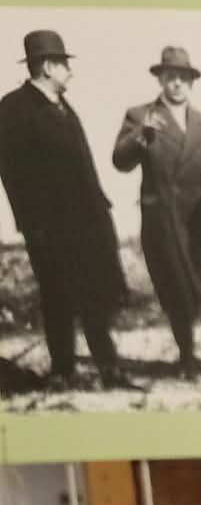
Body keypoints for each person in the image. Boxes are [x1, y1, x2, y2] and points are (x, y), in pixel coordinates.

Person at [0, 27, 137, 393]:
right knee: (58, 297)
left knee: (95, 298)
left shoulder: (65, 108)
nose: (70, 72)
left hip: (87, 225)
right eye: (63, 64)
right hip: (49, 230)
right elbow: (11, 171)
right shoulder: (13, 108)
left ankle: (110, 370)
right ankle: (63, 373)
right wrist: (33, 225)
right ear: (47, 66)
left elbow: (84, 171)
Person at [111, 44, 201, 380]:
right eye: (170, 77)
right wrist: (142, 135)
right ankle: (187, 356)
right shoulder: (140, 116)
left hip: (199, 220)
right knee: (175, 289)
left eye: (183, 77)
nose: (177, 83)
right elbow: (120, 161)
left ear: (192, 82)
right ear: (160, 80)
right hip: (163, 222)